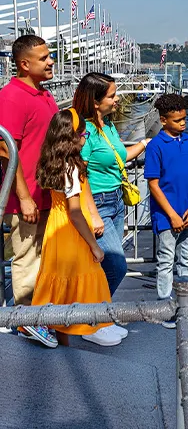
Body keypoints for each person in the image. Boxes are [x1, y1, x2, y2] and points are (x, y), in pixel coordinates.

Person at [32, 108, 122, 347]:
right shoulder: (71, 168)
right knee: (87, 274)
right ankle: (89, 323)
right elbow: (74, 212)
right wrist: (94, 246)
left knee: (58, 276)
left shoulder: (52, 161)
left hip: (55, 227)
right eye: (83, 134)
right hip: (71, 231)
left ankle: (50, 324)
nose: (86, 138)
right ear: (71, 138)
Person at [0, 35, 58, 348]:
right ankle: (24, 321)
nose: (51, 62)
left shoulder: (44, 95)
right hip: (25, 198)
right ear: (25, 64)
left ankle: (39, 315)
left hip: (48, 194)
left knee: (44, 258)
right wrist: (24, 197)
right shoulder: (11, 97)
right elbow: (7, 150)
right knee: (26, 259)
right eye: (44, 57)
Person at [73, 73, 149, 308]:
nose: (117, 100)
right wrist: (93, 214)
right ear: (96, 102)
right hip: (98, 203)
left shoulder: (109, 126)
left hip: (116, 201)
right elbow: (79, 174)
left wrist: (145, 143)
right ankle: (90, 315)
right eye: (112, 96)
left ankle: (98, 317)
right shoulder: (85, 132)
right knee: (117, 266)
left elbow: (120, 157)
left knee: (105, 264)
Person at [144, 93, 188, 329]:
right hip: (166, 215)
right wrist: (171, 214)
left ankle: (186, 301)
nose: (183, 123)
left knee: (185, 259)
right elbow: (153, 183)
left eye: (184, 119)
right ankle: (164, 304)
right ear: (163, 120)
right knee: (166, 260)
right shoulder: (156, 146)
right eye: (178, 120)